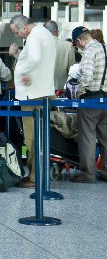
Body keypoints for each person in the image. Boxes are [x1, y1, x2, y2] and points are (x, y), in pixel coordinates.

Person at [9, 14, 56, 189]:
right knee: (41, 137)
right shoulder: (44, 33)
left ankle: (35, 178)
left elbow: (34, 59)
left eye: (16, 32)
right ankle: (39, 174)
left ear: (24, 27)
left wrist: (26, 72)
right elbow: (34, 57)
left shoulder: (34, 36)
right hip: (43, 93)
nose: (16, 35)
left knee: (33, 139)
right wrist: (18, 56)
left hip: (33, 95)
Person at [69, 27, 107, 183]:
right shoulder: (103, 47)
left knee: (87, 137)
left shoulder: (90, 51)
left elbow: (87, 74)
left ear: (79, 41)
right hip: (105, 98)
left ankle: (88, 174)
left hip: (91, 99)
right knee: (105, 136)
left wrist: (80, 89)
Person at [43, 20, 76, 91]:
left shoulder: (39, 45)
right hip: (61, 89)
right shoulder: (68, 46)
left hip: (42, 89)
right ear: (56, 31)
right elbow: (72, 70)